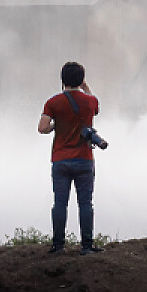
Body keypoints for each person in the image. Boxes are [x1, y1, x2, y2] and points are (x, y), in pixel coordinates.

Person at [38, 61, 100, 254]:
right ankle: (87, 246)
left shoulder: (53, 102)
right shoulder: (91, 102)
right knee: (85, 203)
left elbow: (42, 128)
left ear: (62, 80)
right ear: (81, 80)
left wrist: (55, 126)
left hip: (60, 159)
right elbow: (95, 106)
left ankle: (58, 246)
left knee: (60, 203)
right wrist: (86, 88)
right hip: (84, 159)